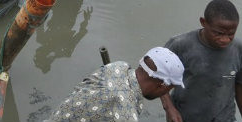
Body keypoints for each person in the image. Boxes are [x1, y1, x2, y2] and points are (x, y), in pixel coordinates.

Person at [160, 0, 242, 122]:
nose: (225, 39)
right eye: (218, 33)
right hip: (183, 117)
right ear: (203, 22)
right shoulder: (179, 46)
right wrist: (169, 108)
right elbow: (159, 78)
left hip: (224, 118)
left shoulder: (241, 51)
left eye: (231, 34)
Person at [46, 47, 185, 121]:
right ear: (162, 86)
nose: (165, 94)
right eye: (169, 89)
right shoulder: (125, 116)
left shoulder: (117, 67)